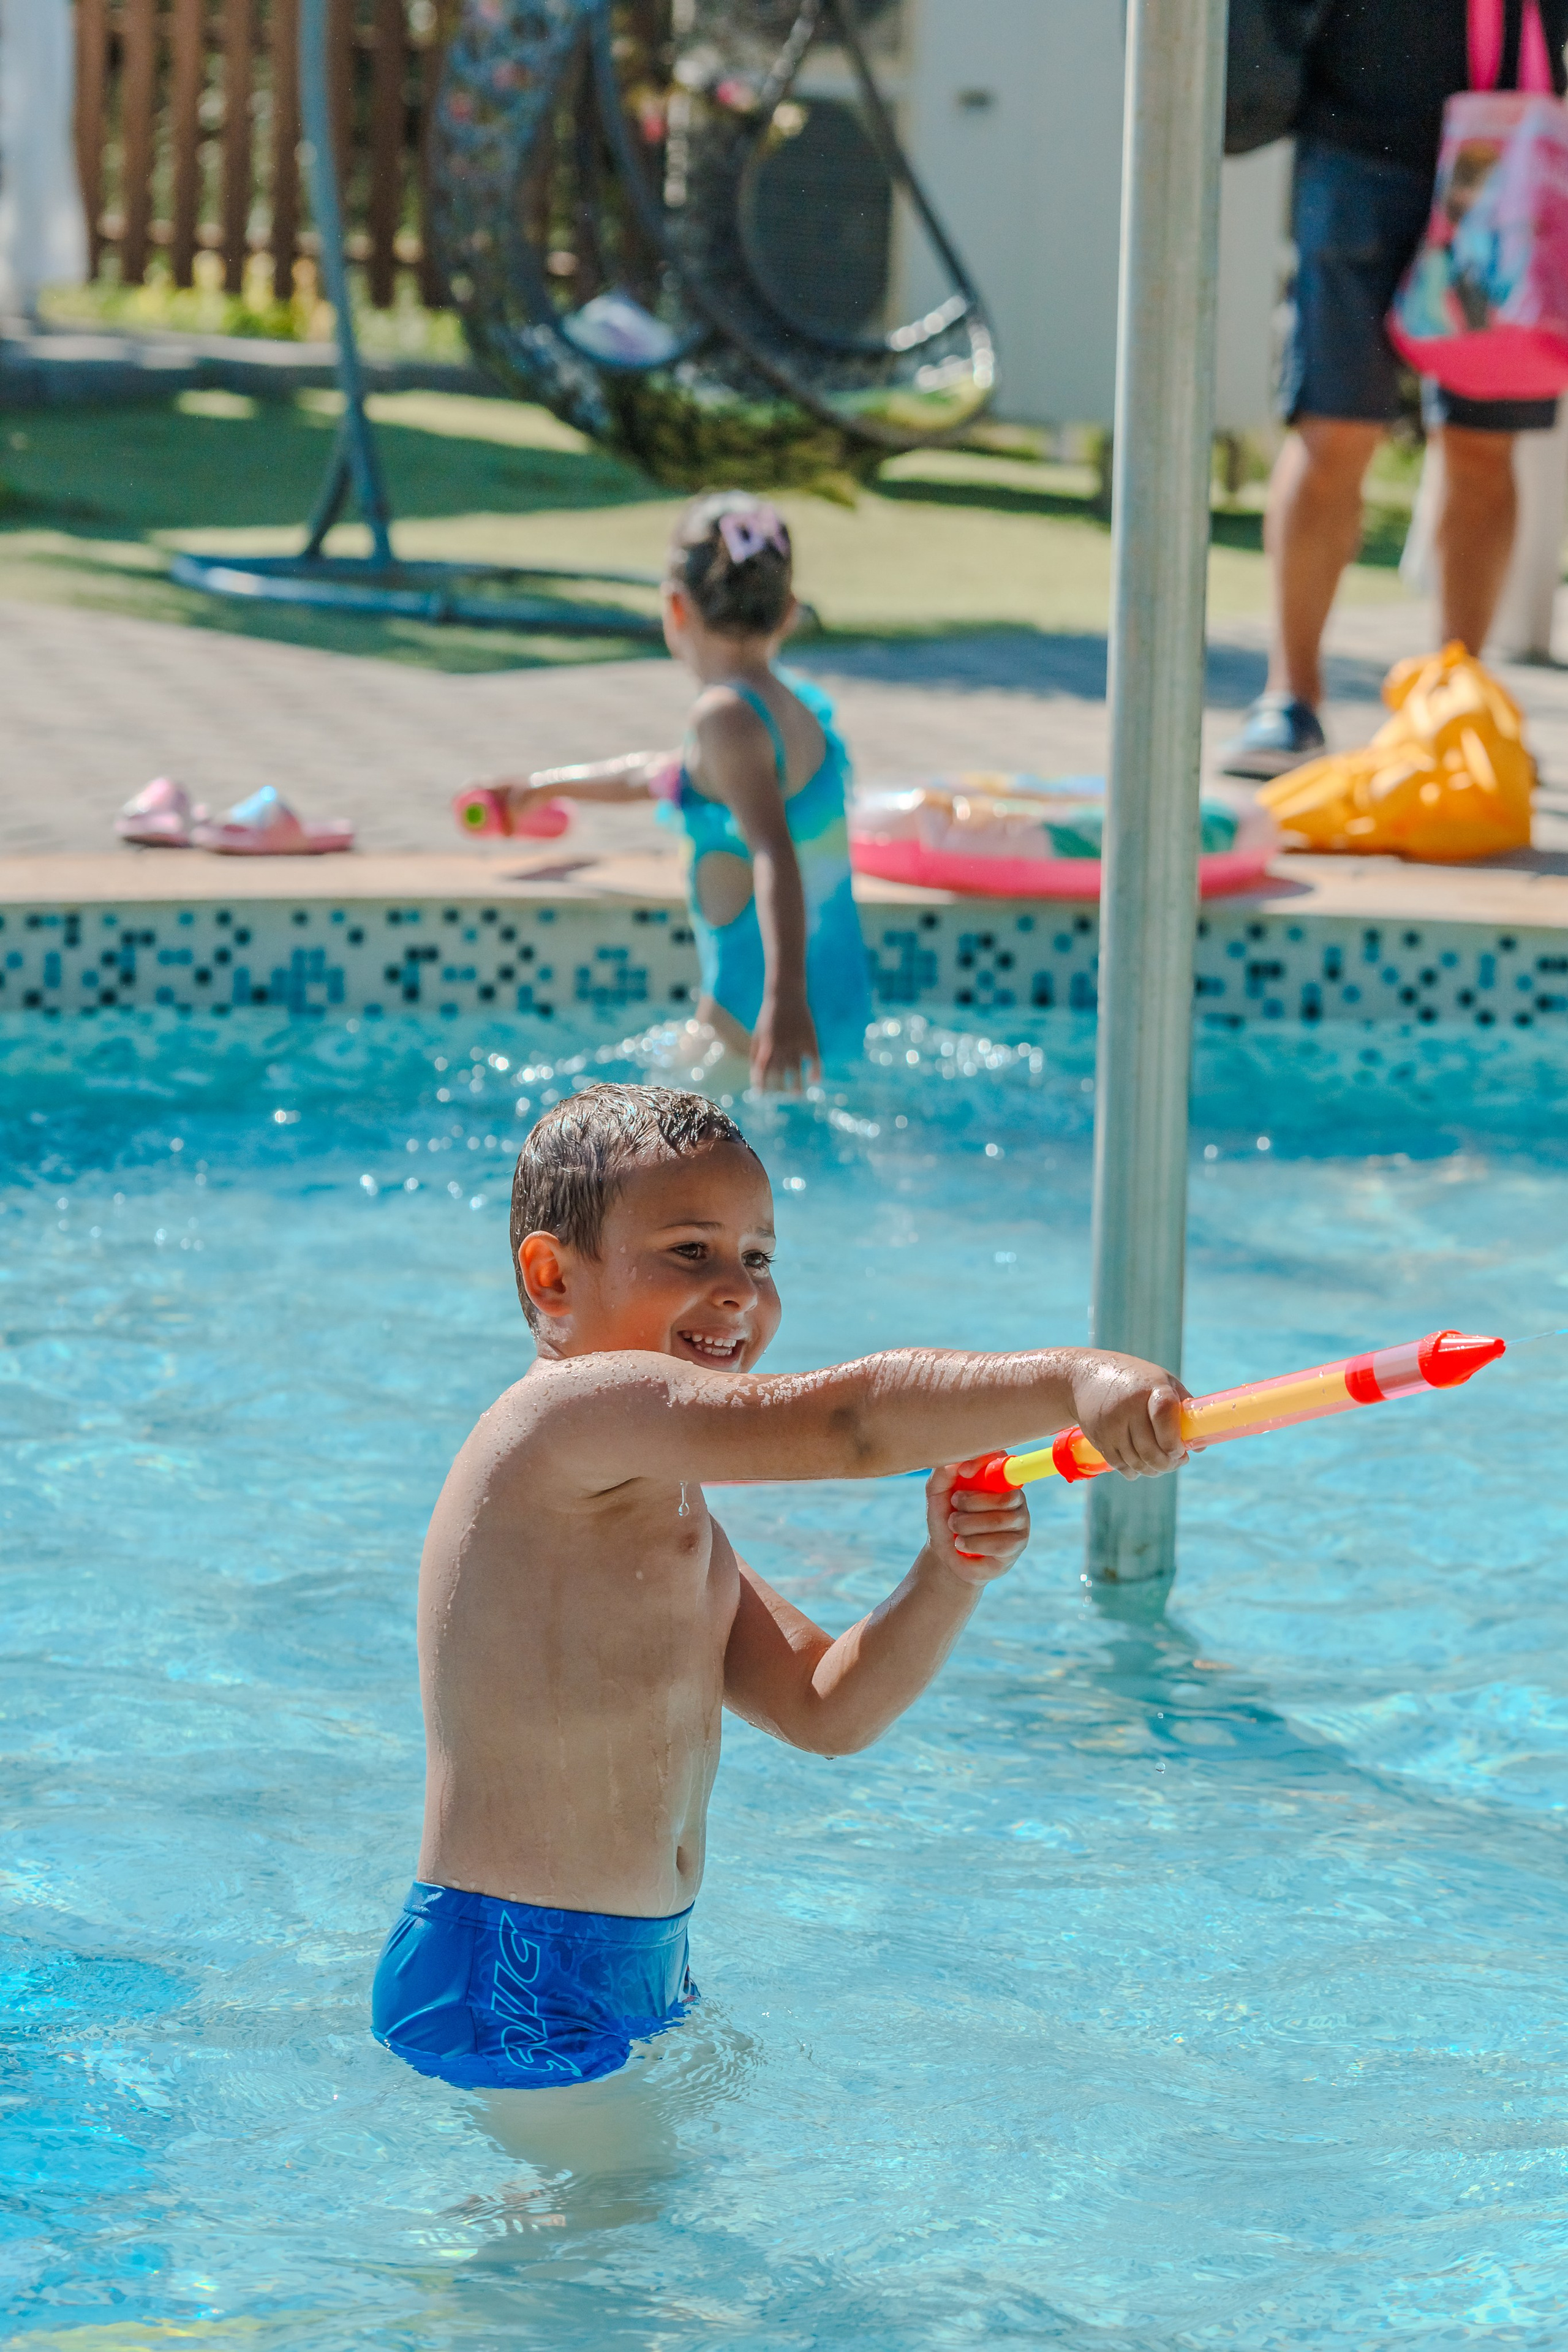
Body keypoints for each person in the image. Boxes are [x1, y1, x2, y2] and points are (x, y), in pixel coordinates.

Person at [371, 1083, 1189, 2094]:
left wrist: (948, 1573)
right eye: (690, 1252)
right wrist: (1076, 1379)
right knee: (572, 2249)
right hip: (508, 1969)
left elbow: (825, 1709)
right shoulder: (567, 1420)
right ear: (552, 1280)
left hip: (638, 1969)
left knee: (612, 2246)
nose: (737, 1293)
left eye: (757, 1259)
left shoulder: (670, 1522)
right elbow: (848, 1424)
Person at [1222, 0, 1568, 780]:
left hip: (1507, 156)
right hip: (1354, 146)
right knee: (1333, 427)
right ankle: (1291, 698)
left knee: (1482, 443)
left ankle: (1453, 698)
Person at [467, 492, 872, 1088]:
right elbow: (659, 775)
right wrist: (541, 787)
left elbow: (773, 852)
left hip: (754, 1015)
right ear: (788, 611)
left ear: (675, 608)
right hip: (834, 996)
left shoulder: (724, 717)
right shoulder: (792, 707)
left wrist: (782, 1001)